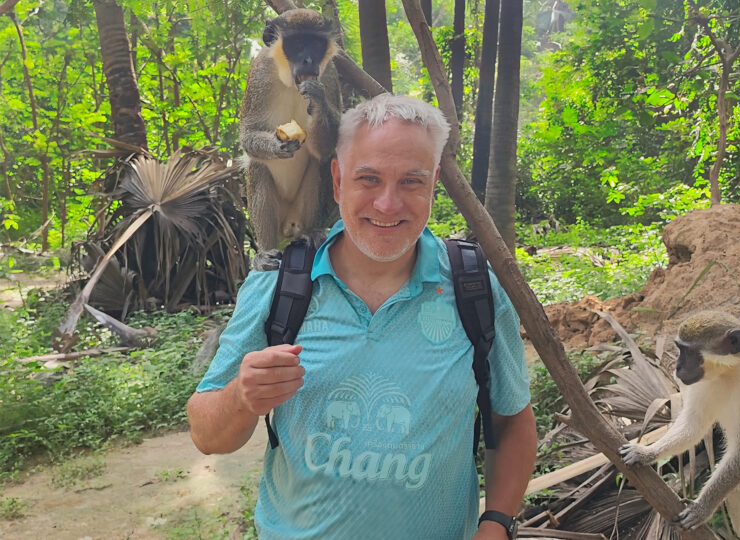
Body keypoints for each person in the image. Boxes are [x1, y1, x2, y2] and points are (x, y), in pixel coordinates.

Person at [187, 94, 537, 540]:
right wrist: (241, 396)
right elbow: (207, 435)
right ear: (337, 182)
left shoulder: (474, 287)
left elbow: (513, 423)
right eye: (368, 178)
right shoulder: (279, 286)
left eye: (411, 181)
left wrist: (498, 523)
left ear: (433, 183)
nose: (387, 204)